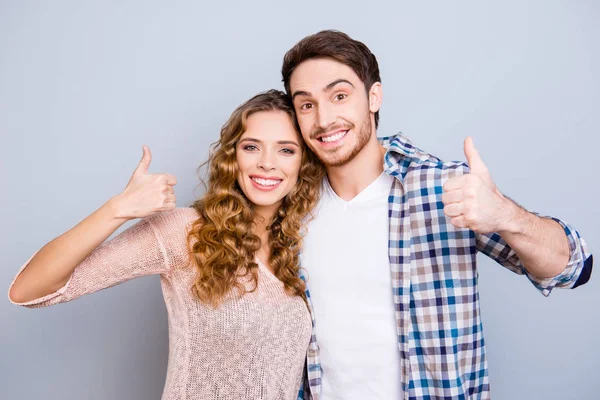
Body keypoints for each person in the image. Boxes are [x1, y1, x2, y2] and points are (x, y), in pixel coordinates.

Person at [281, 30, 593, 399]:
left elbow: (575, 267)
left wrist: (506, 216)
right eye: (306, 104)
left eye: (340, 96)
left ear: (374, 97)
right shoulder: (290, 208)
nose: (324, 118)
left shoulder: (441, 186)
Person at [8, 89, 325, 400]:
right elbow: (29, 289)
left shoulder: (299, 252)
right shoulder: (188, 232)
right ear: (233, 157)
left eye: (286, 150)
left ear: (304, 163)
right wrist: (118, 208)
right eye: (252, 146)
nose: (267, 163)